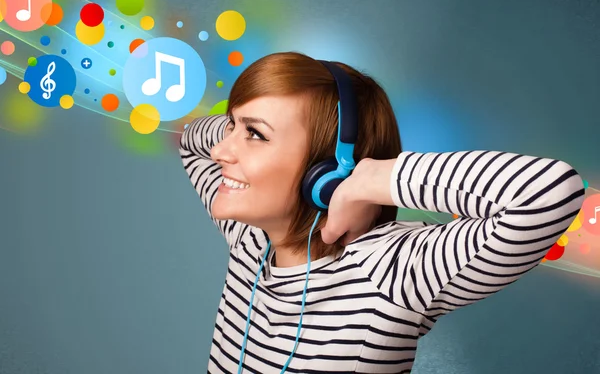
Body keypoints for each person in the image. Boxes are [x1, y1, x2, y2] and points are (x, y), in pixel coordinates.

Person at [179, 51, 585, 374]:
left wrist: (372, 178)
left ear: (325, 170)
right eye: (232, 127)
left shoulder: (392, 267)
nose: (220, 152)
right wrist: (242, 124)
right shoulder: (248, 237)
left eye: (255, 134)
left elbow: (548, 194)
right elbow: (192, 139)